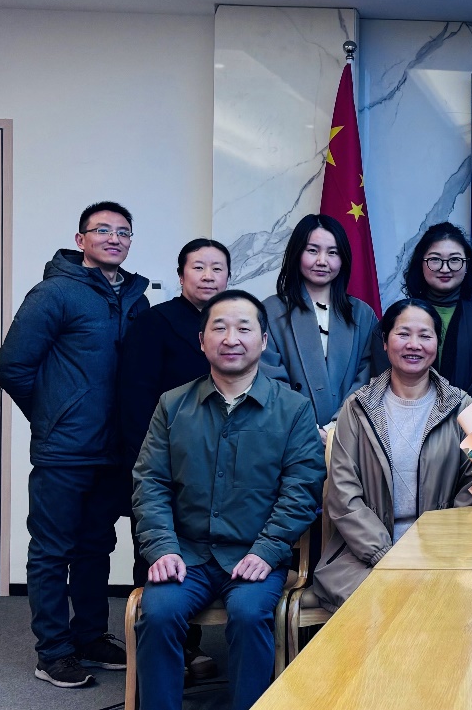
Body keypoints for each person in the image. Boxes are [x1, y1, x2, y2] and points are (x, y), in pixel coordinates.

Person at [132, 290, 324, 710]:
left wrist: (267, 550)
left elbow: (302, 488)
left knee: (250, 615)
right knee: (158, 614)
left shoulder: (292, 409)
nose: (231, 338)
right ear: (202, 341)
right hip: (187, 555)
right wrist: (162, 547)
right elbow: (150, 482)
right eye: (218, 328)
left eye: (243, 328)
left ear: (263, 341)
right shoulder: (172, 405)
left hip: (254, 555)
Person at [0, 201, 149, 688]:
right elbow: (12, 365)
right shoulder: (55, 292)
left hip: (115, 449)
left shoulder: (136, 298)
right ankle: (53, 652)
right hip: (64, 449)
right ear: (81, 239)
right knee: (51, 549)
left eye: (123, 232)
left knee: (95, 545)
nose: (113, 238)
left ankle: (90, 637)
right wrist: (53, 415)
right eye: (102, 230)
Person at [310, 299, 472, 610]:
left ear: (436, 344)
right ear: (385, 342)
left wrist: (440, 543)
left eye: (425, 335)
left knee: (454, 603)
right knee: (382, 605)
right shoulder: (357, 408)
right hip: (364, 553)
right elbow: (343, 494)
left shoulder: (460, 406)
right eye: (403, 334)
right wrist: (383, 554)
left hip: (443, 549)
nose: (414, 344)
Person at [118, 237, 231, 679]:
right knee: (158, 549)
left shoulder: (231, 324)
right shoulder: (156, 322)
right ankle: (162, 653)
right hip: (161, 456)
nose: (208, 276)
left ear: (228, 276)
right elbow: (134, 396)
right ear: (181, 274)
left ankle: (190, 646)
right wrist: (146, 460)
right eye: (198, 267)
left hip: (216, 461)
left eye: (217, 268)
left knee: (199, 551)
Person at [261, 213, 378, 437]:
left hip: (349, 436)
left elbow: (368, 376)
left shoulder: (362, 314)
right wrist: (308, 429)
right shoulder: (270, 311)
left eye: (332, 252)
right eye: (312, 251)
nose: (322, 261)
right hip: (290, 435)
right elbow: (269, 379)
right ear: (297, 253)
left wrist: (334, 429)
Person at [401, 222, 472, 402]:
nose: (445, 268)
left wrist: (464, 412)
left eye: (455, 260)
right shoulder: (400, 315)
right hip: (406, 411)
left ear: (467, 265)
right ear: (421, 263)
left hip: (468, 415)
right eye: (435, 259)